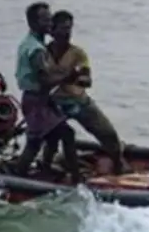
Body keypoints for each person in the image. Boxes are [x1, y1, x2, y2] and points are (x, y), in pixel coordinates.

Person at [39, 10, 126, 175]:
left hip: (77, 100)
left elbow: (87, 79)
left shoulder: (78, 54)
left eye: (69, 29)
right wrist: (63, 78)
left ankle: (118, 162)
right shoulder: (43, 53)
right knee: (52, 138)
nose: (67, 33)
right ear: (52, 30)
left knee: (107, 132)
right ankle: (47, 167)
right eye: (63, 29)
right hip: (54, 103)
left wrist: (76, 79)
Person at [11, 2, 82, 181]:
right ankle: (75, 178)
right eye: (45, 20)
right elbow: (45, 80)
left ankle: (41, 169)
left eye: (50, 19)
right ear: (34, 23)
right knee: (62, 135)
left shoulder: (29, 43)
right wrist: (67, 76)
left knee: (47, 138)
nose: (50, 23)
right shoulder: (36, 50)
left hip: (35, 99)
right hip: (36, 101)